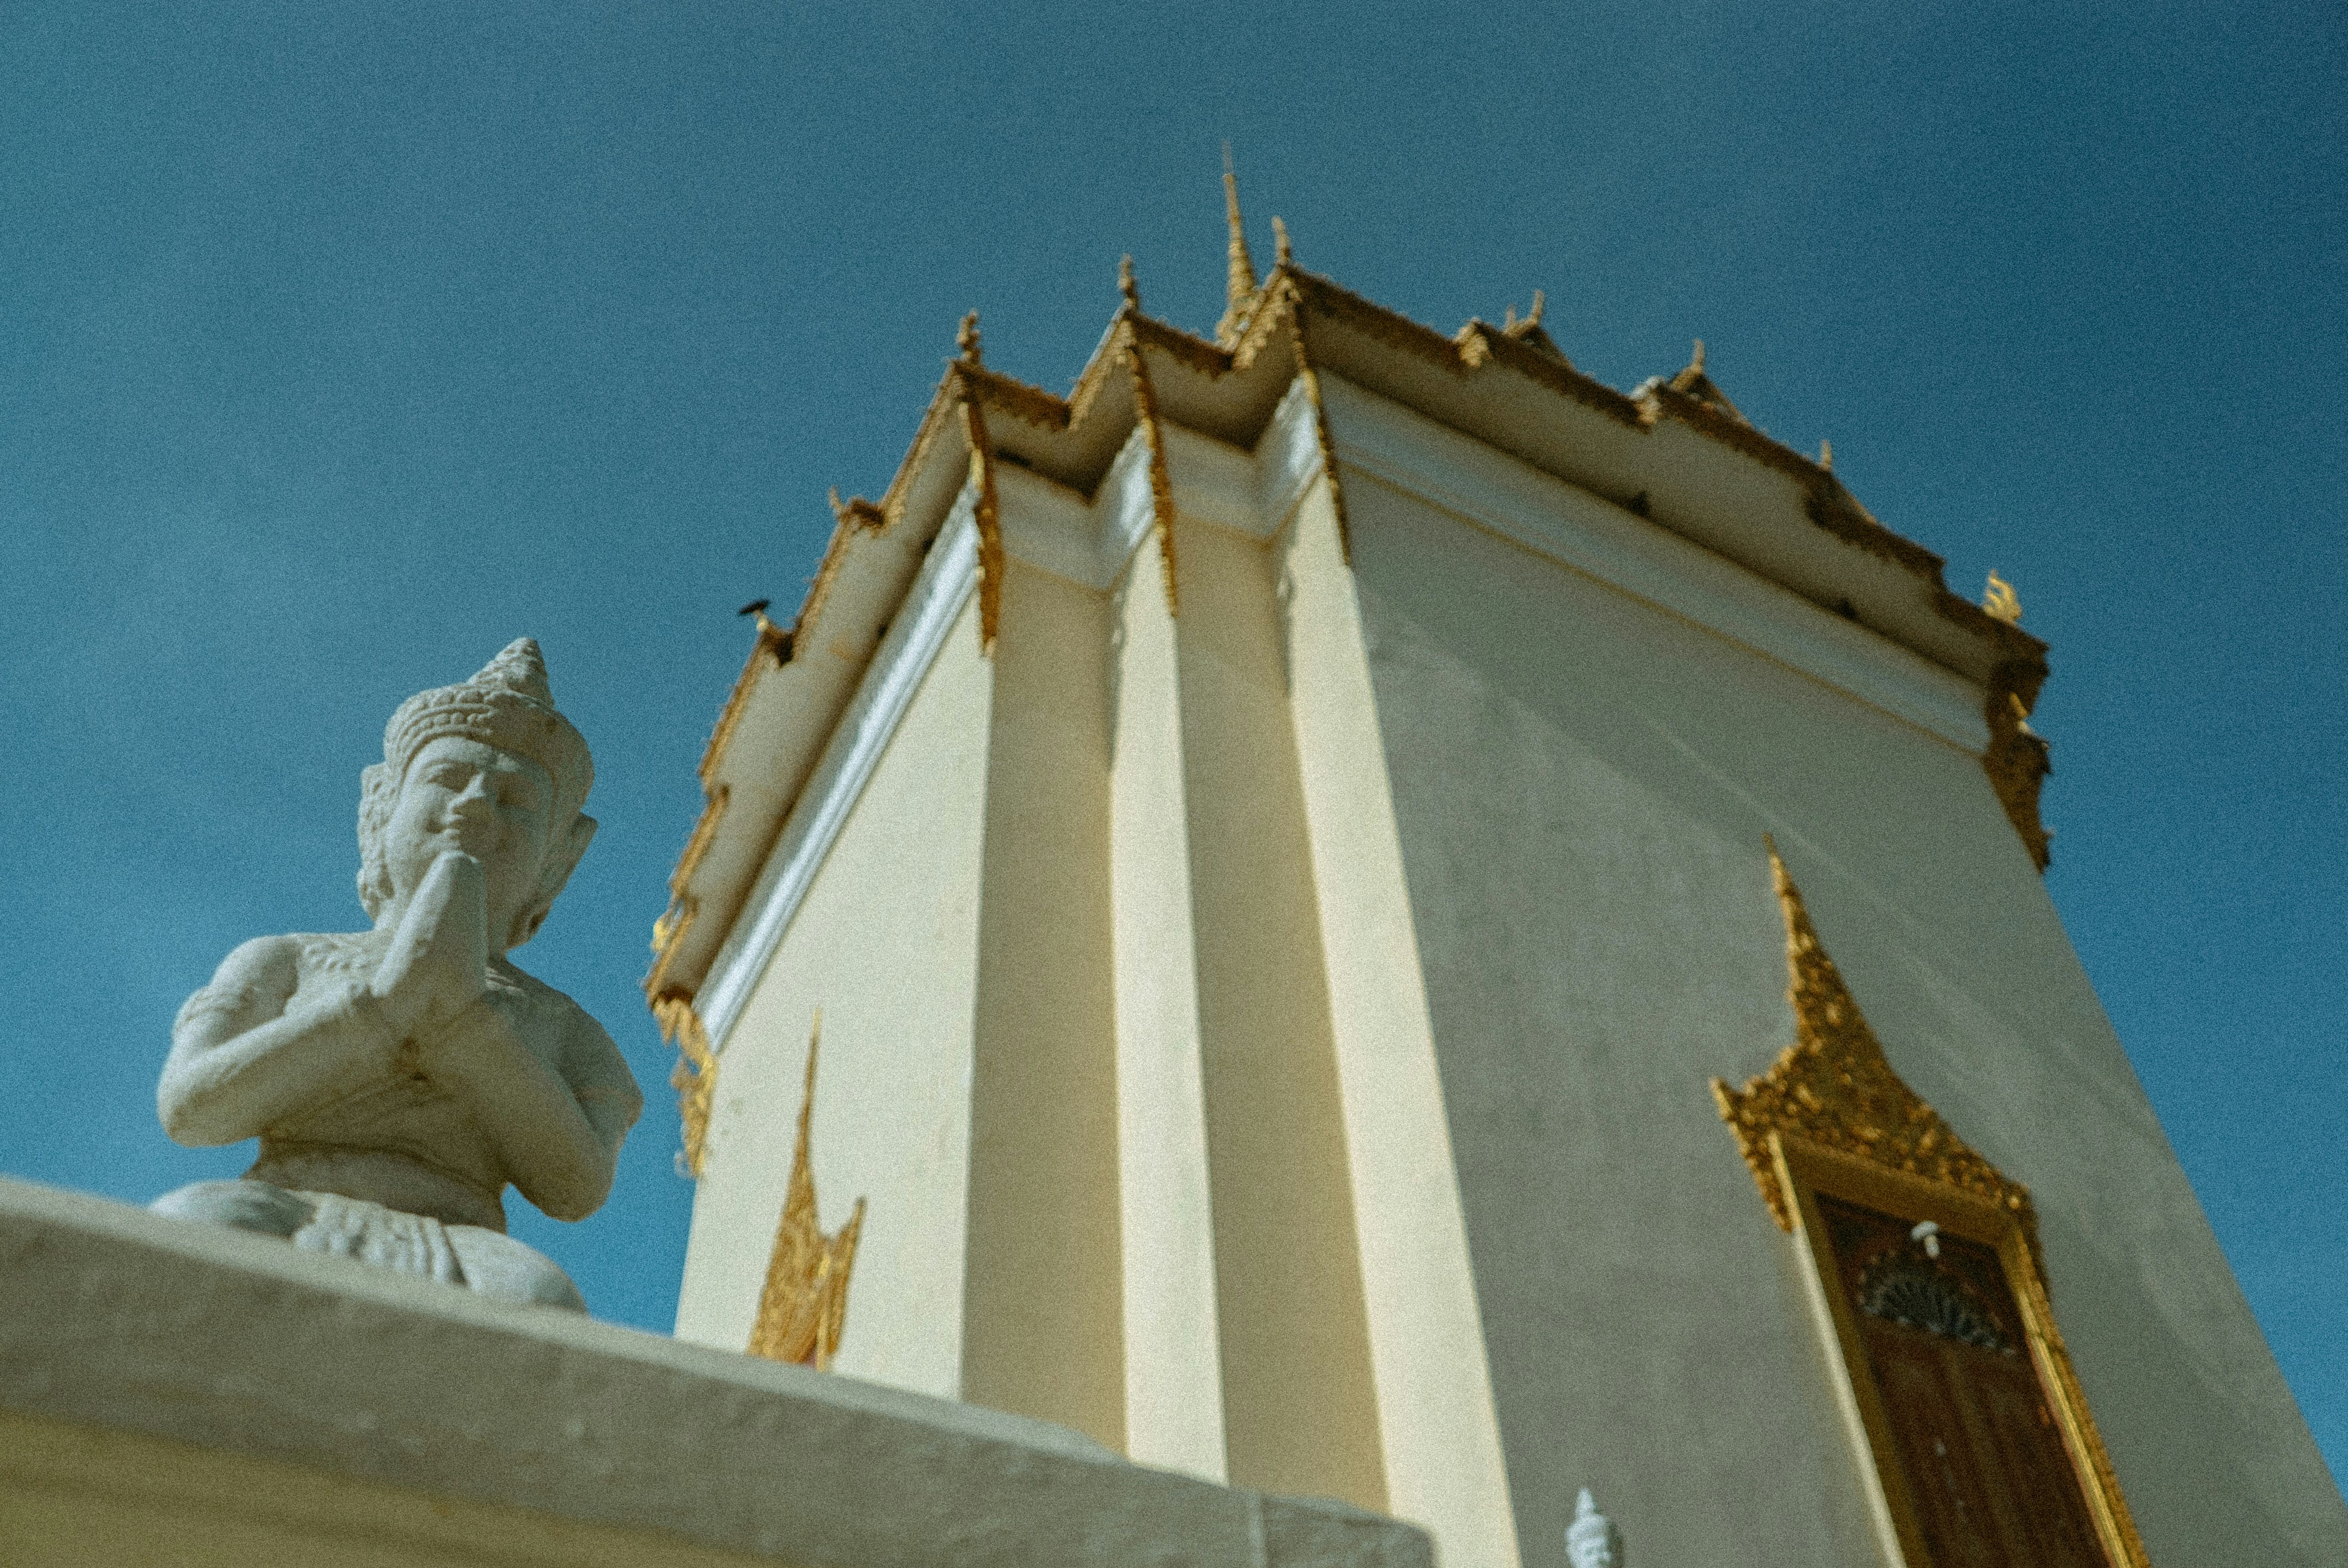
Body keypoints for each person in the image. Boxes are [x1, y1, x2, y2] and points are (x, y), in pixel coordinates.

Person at [152, 639, 642, 1311]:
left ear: (558, 860)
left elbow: (574, 1187)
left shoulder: (560, 1025)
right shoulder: (287, 959)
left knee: (539, 1299)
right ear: (383, 809)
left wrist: (466, 1031)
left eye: (514, 799)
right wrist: (377, 1013)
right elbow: (191, 1108)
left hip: (464, 1232)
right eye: (447, 779)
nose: (475, 806)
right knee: (189, 1230)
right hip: (286, 1197)